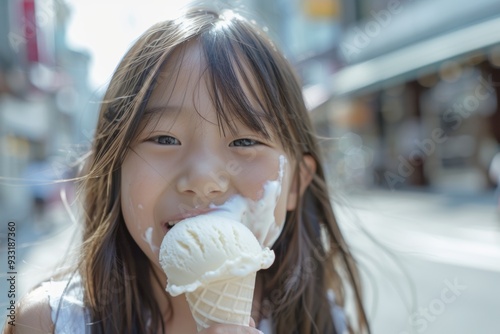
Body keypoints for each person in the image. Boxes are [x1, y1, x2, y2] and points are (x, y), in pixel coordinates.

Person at [5, 3, 370, 334]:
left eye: (245, 142)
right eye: (164, 139)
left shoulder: (323, 322)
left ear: (295, 185)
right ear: (114, 165)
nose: (203, 179)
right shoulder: (47, 324)